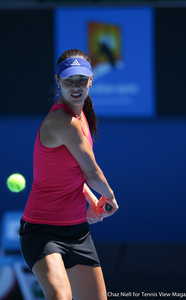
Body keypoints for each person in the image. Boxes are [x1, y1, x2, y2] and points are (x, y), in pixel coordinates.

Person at [19, 49, 119, 300]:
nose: (76, 87)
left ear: (91, 80)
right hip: (42, 231)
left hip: (77, 232)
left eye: (81, 80)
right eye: (69, 81)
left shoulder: (81, 115)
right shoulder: (63, 122)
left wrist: (92, 200)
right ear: (58, 81)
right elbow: (93, 173)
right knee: (60, 297)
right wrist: (110, 198)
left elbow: (73, 174)